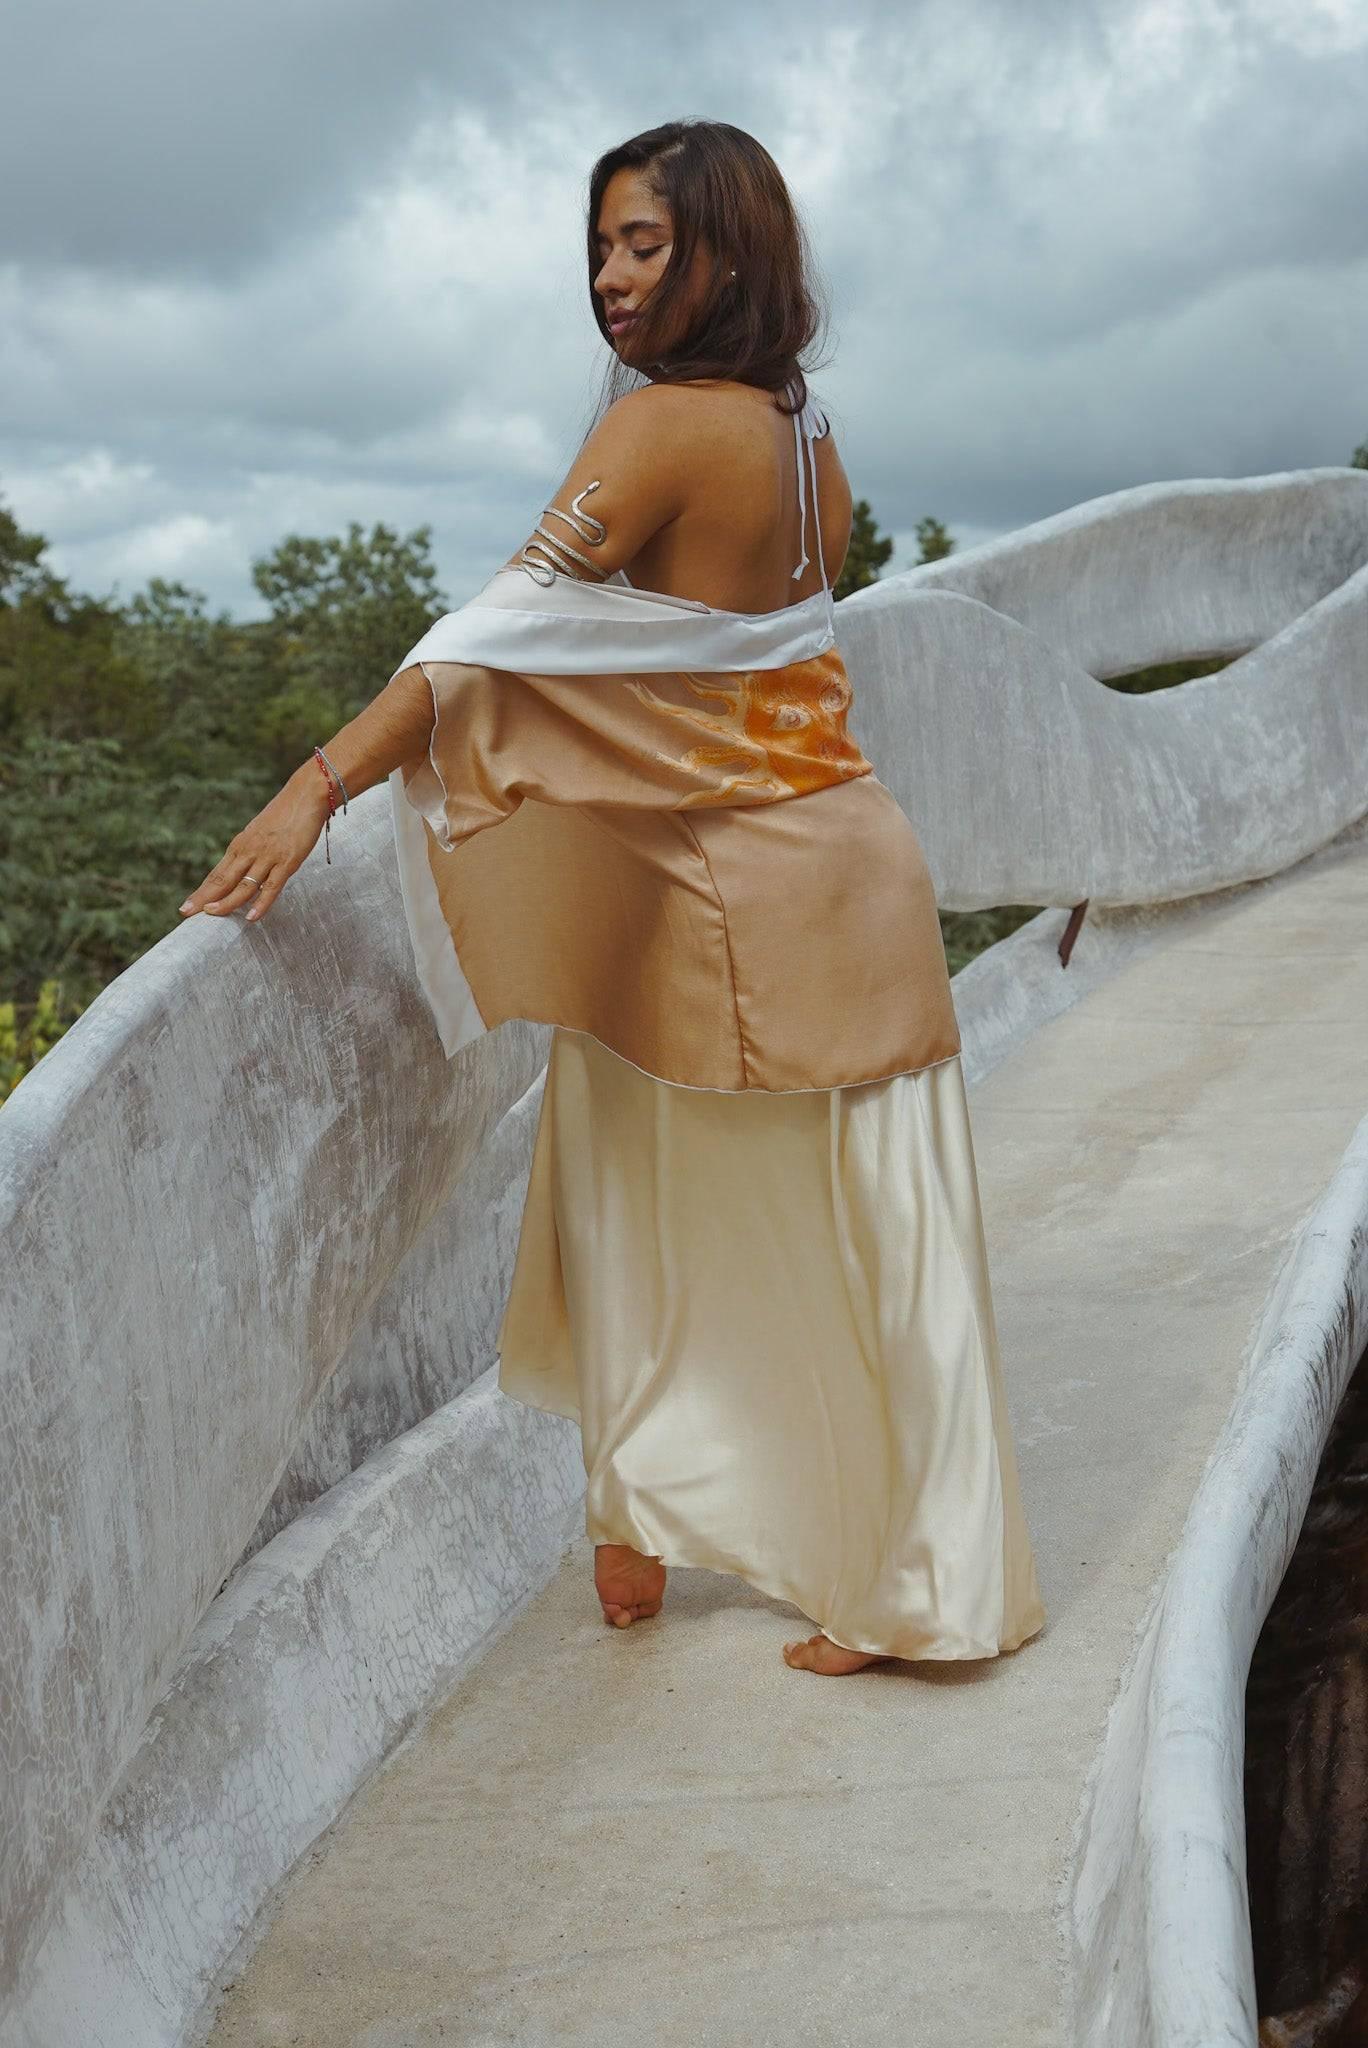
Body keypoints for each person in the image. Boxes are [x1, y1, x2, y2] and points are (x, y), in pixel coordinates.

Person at [179, 118, 1046, 1677]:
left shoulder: (662, 430)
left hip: (741, 896)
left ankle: (887, 1583)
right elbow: (722, 667)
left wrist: (318, 786)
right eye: (598, 250)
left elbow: (490, 641)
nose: (610, 280)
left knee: (664, 1208)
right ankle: (663, 1512)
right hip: (841, 865)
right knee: (840, 1228)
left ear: (730, 255)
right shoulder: (807, 437)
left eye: (644, 245)